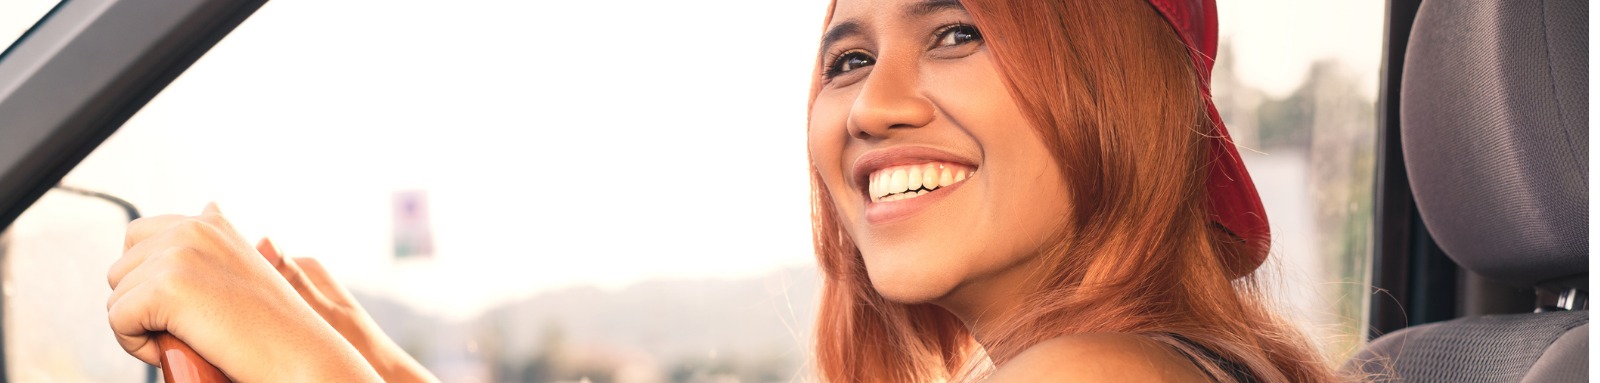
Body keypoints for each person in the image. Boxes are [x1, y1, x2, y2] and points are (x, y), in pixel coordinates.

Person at [107, 0, 1338, 381]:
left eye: (956, 31)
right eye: (845, 56)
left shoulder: (1098, 374)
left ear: (1118, 87)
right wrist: (371, 366)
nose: (872, 104)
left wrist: (304, 366)